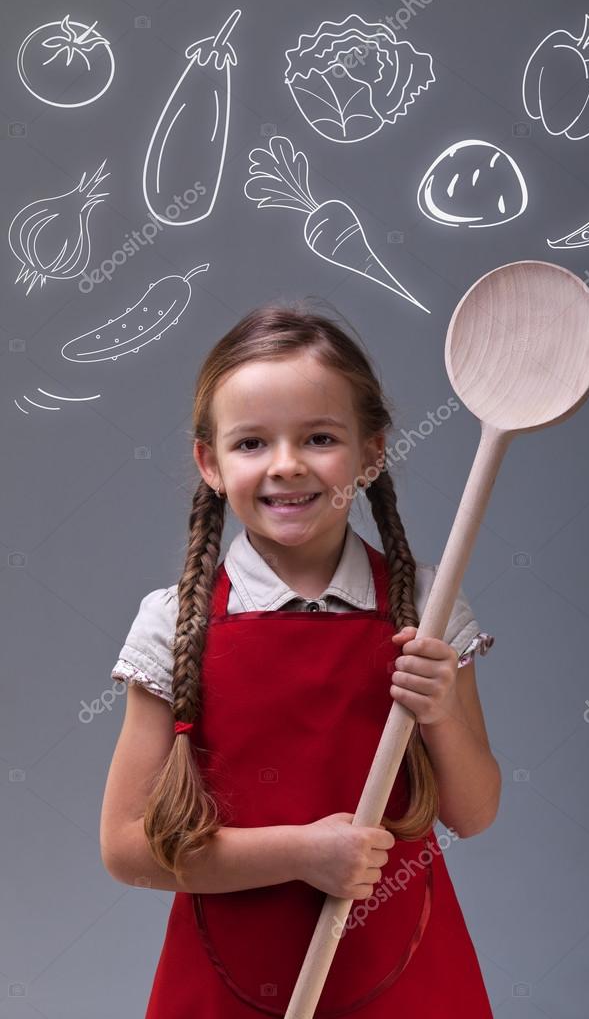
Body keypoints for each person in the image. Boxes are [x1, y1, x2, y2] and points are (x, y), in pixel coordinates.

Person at [100, 304, 500, 1017]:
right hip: (223, 984)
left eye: (319, 436)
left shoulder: (429, 607)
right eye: (252, 442)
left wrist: (438, 711)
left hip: (405, 972)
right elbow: (127, 848)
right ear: (210, 462)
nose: (286, 464)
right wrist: (300, 853)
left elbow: (474, 811)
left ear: (371, 452)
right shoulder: (173, 623)